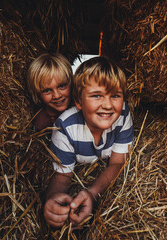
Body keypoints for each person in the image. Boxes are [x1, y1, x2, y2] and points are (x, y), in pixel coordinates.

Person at [43, 56, 134, 228]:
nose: (108, 105)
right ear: (78, 101)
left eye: (115, 95)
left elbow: (117, 162)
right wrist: (53, 198)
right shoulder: (64, 128)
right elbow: (63, 175)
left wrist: (92, 194)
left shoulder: (123, 115)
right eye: (97, 96)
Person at [27, 53, 73, 131]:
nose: (57, 96)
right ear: (37, 94)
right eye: (47, 91)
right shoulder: (42, 123)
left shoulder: (82, 108)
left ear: (71, 83)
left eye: (62, 86)